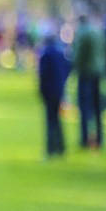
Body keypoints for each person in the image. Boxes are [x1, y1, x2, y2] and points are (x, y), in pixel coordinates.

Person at [71, 12, 106, 149]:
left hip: (86, 73)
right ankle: (100, 138)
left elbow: (79, 55)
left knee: (85, 107)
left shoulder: (83, 33)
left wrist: (75, 69)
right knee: (98, 108)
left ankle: (85, 139)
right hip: (98, 72)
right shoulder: (98, 32)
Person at [37, 29, 71, 158]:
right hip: (59, 90)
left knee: (51, 120)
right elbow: (69, 67)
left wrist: (41, 91)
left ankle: (51, 149)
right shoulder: (61, 53)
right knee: (57, 120)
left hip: (49, 91)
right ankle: (61, 148)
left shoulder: (45, 54)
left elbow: (42, 75)